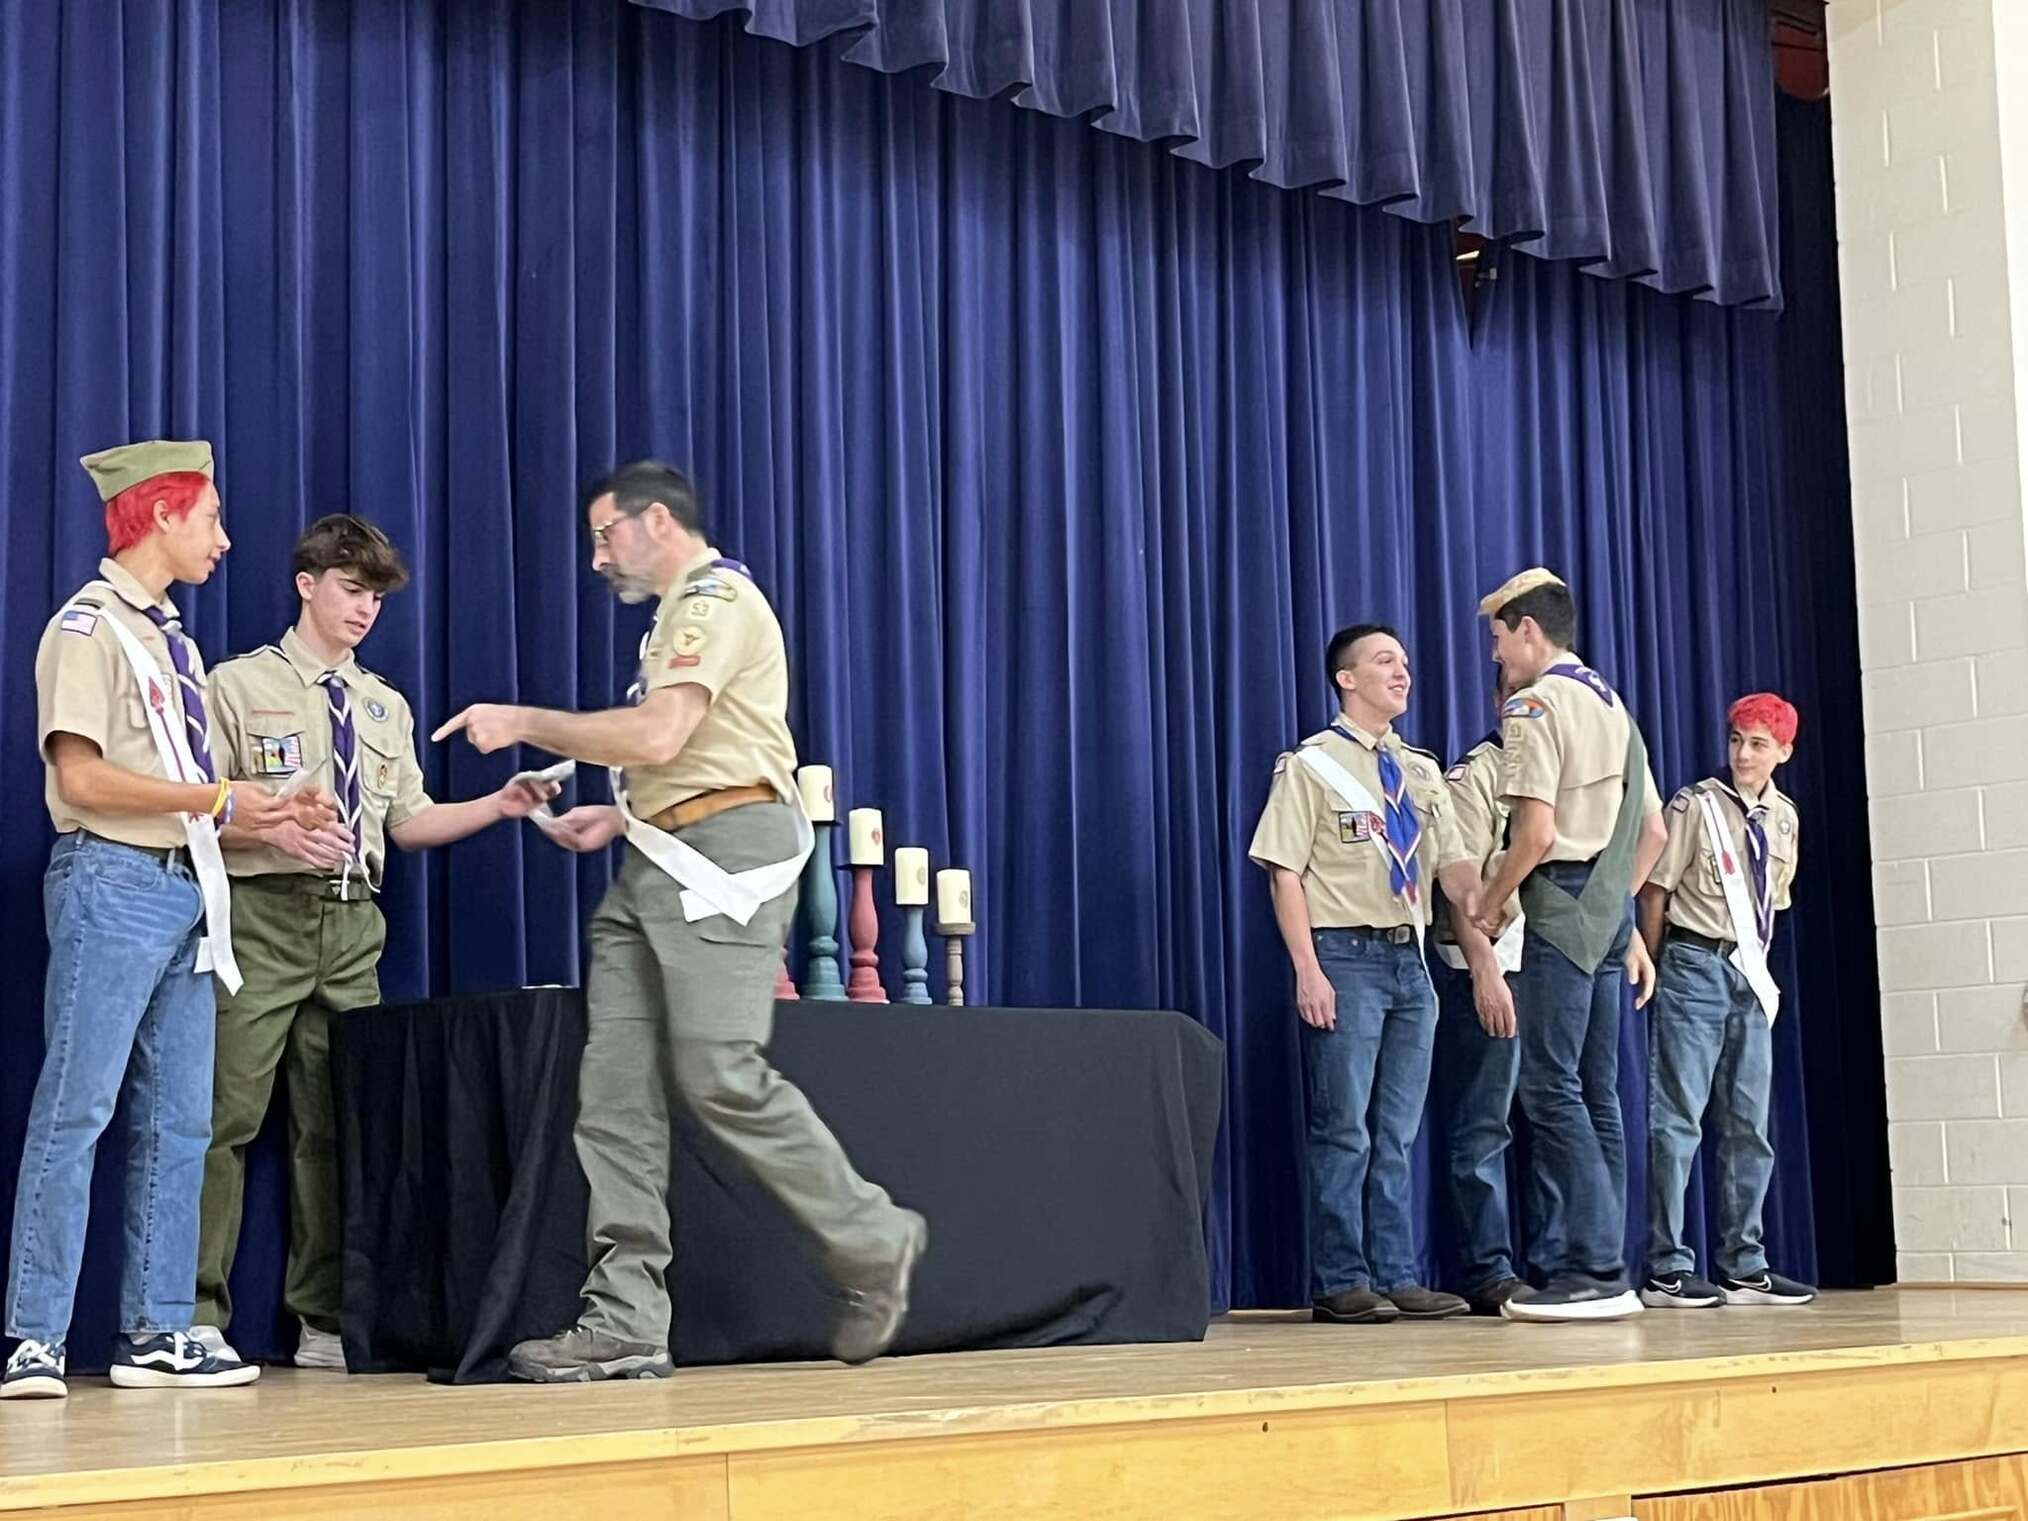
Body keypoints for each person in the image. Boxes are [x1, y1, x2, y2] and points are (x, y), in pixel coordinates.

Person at [435, 460, 925, 1381]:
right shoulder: (676, 619)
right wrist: (618, 814)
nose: (596, 557)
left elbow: (663, 737)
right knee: (615, 1090)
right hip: (659, 857)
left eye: (604, 534)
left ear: (656, 520)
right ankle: (624, 1314)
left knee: (718, 1074)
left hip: (723, 856)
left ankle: (872, 1235)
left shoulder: (713, 601)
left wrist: (526, 723)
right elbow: (682, 754)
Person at [192, 515, 560, 1370]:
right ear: (307, 583)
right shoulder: (239, 686)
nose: (364, 610)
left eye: (377, 598)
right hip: (263, 916)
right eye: (351, 590)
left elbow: (409, 819)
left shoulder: (382, 703)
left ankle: (324, 1317)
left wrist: (497, 805)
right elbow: (196, 814)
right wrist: (274, 835)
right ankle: (195, 1311)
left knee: (336, 1125)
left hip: (355, 922)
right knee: (223, 1116)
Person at [3, 440, 329, 1399]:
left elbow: (194, 797)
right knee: (79, 1106)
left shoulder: (173, 641)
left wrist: (256, 811)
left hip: (188, 886)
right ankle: (33, 1333)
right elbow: (82, 776)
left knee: (180, 1119)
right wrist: (218, 798)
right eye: (213, 519)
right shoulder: (87, 629)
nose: (225, 540)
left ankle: (156, 1325)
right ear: (160, 515)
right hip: (111, 878)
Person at [1249, 624, 1470, 1325]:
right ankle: (1342, 1276)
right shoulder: (1312, 765)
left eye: (1404, 661)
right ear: (1346, 678)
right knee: (1345, 1126)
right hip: (1344, 952)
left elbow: (1454, 867)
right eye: (1384, 662)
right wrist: (1307, 969)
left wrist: (1494, 898)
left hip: (1411, 958)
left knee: (1398, 1128)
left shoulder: (1422, 771)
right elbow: (1285, 871)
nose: (1402, 672)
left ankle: (1396, 1271)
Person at [1463, 569, 1666, 1323]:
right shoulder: (1612, 702)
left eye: (1498, 638)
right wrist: (1616, 905)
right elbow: (1654, 831)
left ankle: (1592, 1263)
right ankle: (1612, 1261)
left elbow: (1537, 832)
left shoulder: (1536, 704)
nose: (1495, 655)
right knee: (1596, 1089)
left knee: (1549, 1086)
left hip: (1561, 900)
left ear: (1527, 631)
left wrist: (1491, 899)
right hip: (1609, 906)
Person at [1636, 693, 1815, 1309]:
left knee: (1748, 1123)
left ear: (1783, 753)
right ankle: (1666, 1263)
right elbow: (1656, 890)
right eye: (1737, 739)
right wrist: (1658, 964)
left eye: (1758, 744)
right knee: (1678, 1118)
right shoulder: (1697, 806)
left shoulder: (1784, 818)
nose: (1743, 753)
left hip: (1748, 970)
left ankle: (1744, 1262)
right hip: (1692, 961)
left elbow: (1774, 905)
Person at [1429, 668, 1531, 1316]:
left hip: (1548, 965)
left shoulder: (1557, 777)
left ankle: (1561, 1260)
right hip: (1490, 964)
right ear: (1497, 701)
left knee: (1549, 1118)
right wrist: (1484, 967)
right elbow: (1460, 878)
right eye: (1516, 699)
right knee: (1481, 1123)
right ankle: (1487, 1268)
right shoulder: (1479, 771)